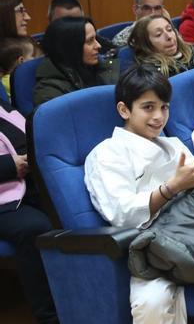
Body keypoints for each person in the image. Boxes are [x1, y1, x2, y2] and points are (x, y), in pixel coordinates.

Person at [84, 66, 194, 324]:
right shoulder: (107, 154)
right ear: (124, 110)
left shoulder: (173, 144)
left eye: (164, 107)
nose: (159, 117)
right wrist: (171, 188)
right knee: (152, 304)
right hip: (149, 246)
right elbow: (121, 213)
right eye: (148, 107)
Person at [0, 96, 57, 324]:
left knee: (71, 204)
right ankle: (50, 316)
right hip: (6, 193)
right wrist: (8, 166)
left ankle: (87, 297)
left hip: (26, 181)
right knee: (34, 228)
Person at [33, 17, 118, 107]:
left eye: (95, 39)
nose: (98, 45)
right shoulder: (49, 91)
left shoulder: (101, 69)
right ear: (71, 47)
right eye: (90, 41)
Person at [128, 15, 194, 78]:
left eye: (169, 29)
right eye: (158, 34)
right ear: (146, 44)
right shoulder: (149, 73)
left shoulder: (192, 52)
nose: (169, 36)